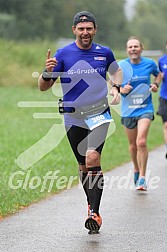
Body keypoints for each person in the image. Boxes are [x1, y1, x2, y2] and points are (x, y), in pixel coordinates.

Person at [38, 11, 122, 232]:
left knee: (93, 156)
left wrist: (116, 86)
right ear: (74, 30)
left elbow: (117, 72)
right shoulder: (63, 54)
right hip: (73, 116)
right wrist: (46, 73)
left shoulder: (105, 53)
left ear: (95, 30)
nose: (85, 32)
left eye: (89, 28)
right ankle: (91, 205)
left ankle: (95, 213)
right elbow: (43, 86)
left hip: (99, 113)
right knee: (83, 165)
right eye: (81, 28)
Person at [120, 36, 161, 191]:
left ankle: (143, 178)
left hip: (145, 108)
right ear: (127, 50)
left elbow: (159, 74)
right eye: (130, 47)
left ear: (141, 49)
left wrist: (156, 84)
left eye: (136, 46)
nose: (133, 49)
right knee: (132, 146)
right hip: (128, 110)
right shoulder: (121, 65)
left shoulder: (149, 64)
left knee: (141, 142)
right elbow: (112, 80)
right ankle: (136, 169)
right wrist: (120, 89)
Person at [157, 41, 167, 159]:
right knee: (166, 125)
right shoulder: (162, 61)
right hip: (165, 97)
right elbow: (158, 77)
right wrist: (159, 79)